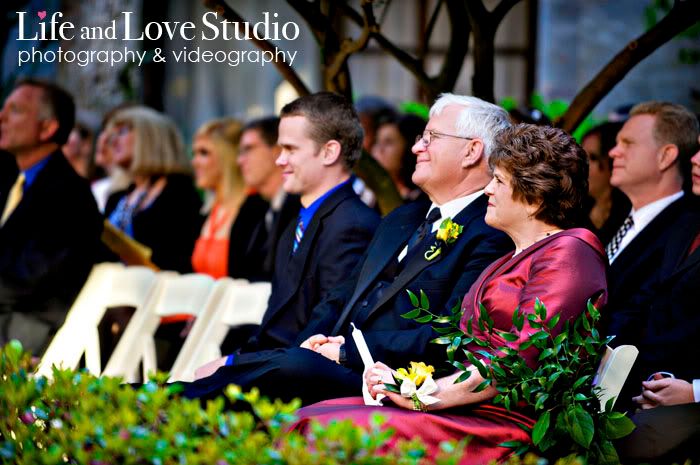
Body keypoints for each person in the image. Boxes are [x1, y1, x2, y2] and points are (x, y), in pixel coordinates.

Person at [294, 123, 608, 465]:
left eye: (499, 181)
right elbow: (466, 345)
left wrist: (421, 395)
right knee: (308, 415)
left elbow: (516, 362)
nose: (487, 190)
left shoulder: (570, 252)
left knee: (323, 427)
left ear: (533, 198)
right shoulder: (511, 257)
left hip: (505, 423)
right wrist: (402, 380)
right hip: (471, 408)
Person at [181, 93, 513, 405]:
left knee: (286, 369)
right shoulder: (404, 217)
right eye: (420, 138)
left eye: (431, 138)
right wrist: (311, 344)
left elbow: (450, 335)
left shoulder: (490, 233)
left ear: (471, 151)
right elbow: (340, 297)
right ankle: (155, 402)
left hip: (388, 381)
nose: (416, 148)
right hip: (332, 363)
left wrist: (346, 350)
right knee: (276, 365)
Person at [193, 92, 380, 378]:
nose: (279, 160)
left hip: (300, 381)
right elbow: (275, 326)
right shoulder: (296, 223)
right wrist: (235, 359)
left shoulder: (352, 225)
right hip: (274, 366)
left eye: (290, 149)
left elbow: (323, 332)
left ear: (329, 152)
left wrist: (236, 366)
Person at [0, 78, 102, 354]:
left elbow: (29, 279)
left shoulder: (70, 195)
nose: (2, 117)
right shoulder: (15, 179)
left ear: (48, 128)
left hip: (28, 334)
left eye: (16, 110)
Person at [615, 136, 700, 463]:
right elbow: (651, 310)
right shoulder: (686, 224)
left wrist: (692, 390)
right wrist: (653, 383)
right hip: (654, 388)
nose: (694, 159)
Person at [602, 101, 698, 342]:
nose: (614, 151)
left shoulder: (685, 230)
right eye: (617, 142)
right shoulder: (616, 219)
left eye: (628, 143)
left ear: (666, 156)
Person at [104, 106, 203, 273]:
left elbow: (179, 257)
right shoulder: (117, 197)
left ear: (149, 137)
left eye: (121, 132)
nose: (112, 141)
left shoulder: (179, 193)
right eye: (111, 135)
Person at [227, 117, 300, 282]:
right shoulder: (256, 208)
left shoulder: (300, 207)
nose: (240, 161)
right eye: (240, 152)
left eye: (248, 149)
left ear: (276, 152)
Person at [190, 118, 246, 278]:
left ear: (228, 156)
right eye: (194, 153)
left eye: (204, 153)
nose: (194, 162)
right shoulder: (209, 211)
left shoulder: (253, 209)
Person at [581, 122, 631, 244]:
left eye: (592, 158)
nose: (582, 164)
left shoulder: (627, 217)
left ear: (612, 163)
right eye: (581, 156)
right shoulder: (576, 206)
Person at [371, 113, 425, 201]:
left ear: (410, 147)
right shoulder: (369, 195)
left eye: (388, 142)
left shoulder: (421, 200)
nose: (379, 149)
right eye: (377, 141)